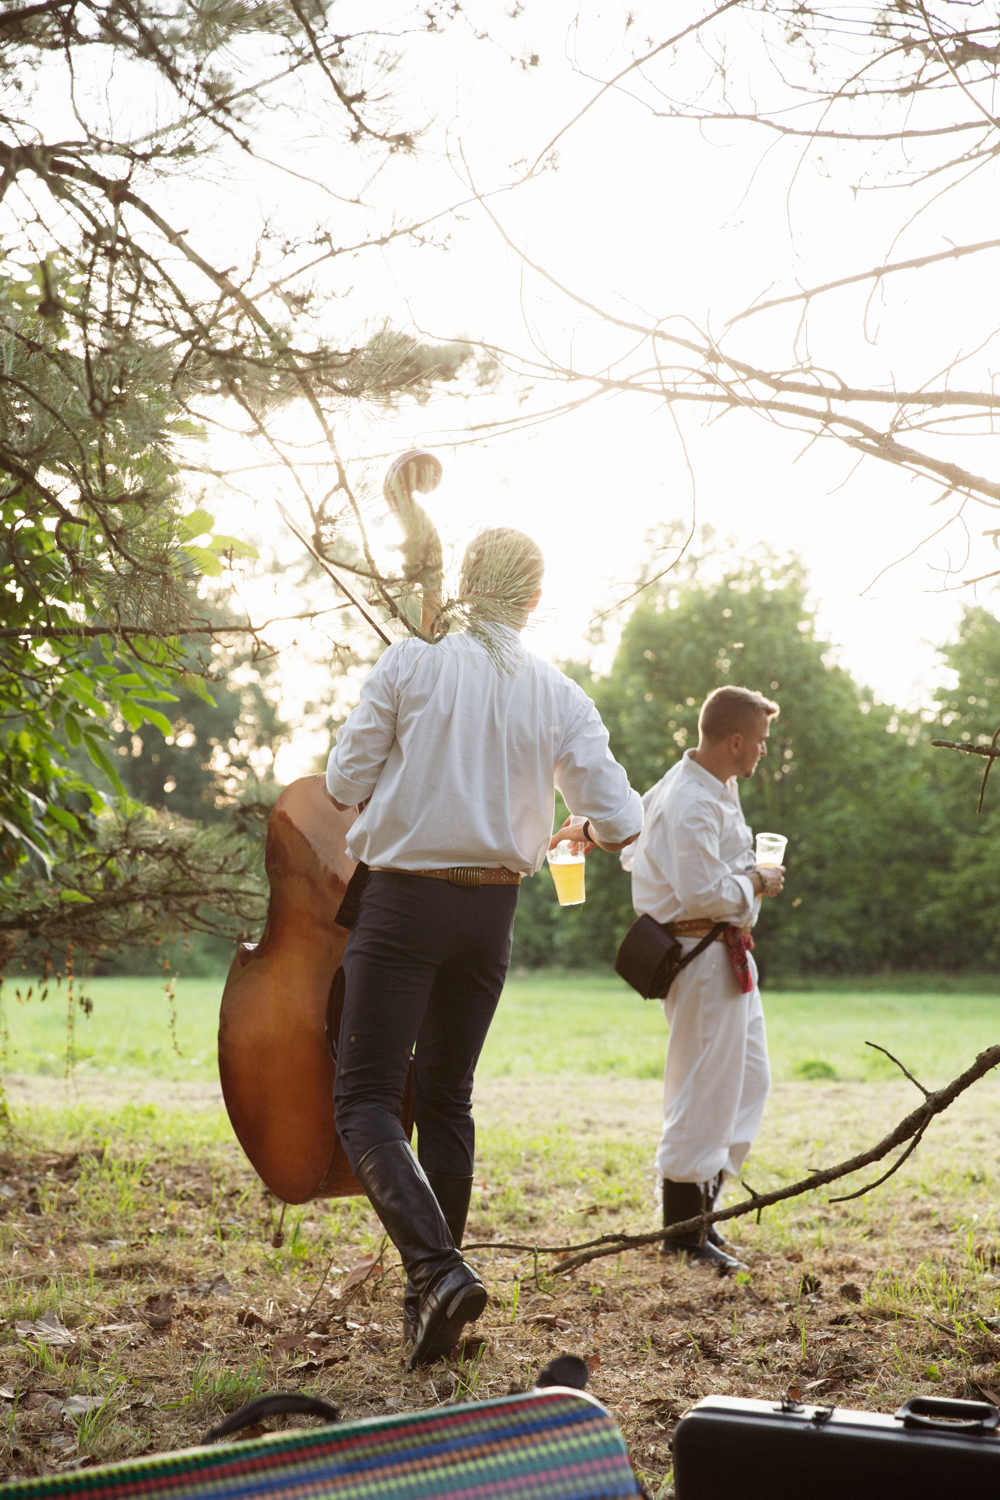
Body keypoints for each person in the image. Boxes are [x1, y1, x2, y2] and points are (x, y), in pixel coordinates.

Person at [326, 528, 642, 1367]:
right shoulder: (560, 693)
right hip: (492, 914)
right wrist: (579, 827)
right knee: (446, 1098)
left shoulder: (411, 663)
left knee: (365, 1099)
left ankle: (436, 1271)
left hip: (404, 906)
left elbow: (342, 783)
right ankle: (432, 1304)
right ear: (536, 600)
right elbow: (623, 820)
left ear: (466, 583)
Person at [621, 685, 785, 1271]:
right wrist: (757, 881)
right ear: (735, 741)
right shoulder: (688, 797)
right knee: (702, 1090)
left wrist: (740, 879)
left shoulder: (714, 785)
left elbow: (632, 846)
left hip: (728, 951)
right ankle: (683, 1233)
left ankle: (702, 1213)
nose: (763, 750)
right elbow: (701, 893)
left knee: (748, 1080)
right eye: (760, 741)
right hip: (700, 953)